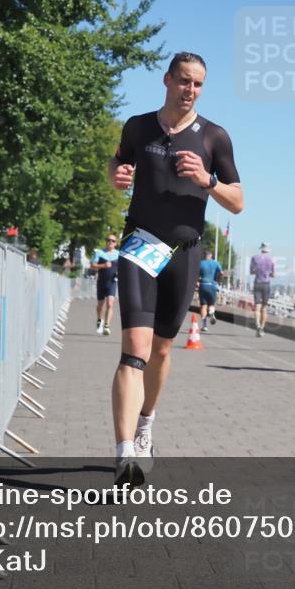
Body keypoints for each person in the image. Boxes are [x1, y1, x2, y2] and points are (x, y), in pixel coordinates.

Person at [108, 51, 243, 487]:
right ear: (167, 80)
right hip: (139, 245)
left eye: (198, 84)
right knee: (135, 349)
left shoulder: (215, 137)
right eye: (184, 81)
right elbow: (117, 161)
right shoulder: (138, 126)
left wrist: (207, 180)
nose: (190, 90)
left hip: (183, 253)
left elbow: (238, 202)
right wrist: (117, 174)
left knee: (162, 350)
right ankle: (124, 455)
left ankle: (146, 423)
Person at [90, 234, 120, 335]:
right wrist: (103, 265)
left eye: (113, 241)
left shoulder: (118, 254)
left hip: (112, 282)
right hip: (101, 282)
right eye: (108, 240)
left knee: (110, 303)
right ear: (106, 241)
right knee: (100, 304)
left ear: (116, 243)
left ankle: (107, 325)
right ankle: (99, 319)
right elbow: (92, 266)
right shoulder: (99, 253)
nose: (110, 242)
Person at [249, 242, 275, 337]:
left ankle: (258, 325)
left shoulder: (254, 258)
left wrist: (257, 272)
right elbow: (274, 274)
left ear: (261, 249)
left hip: (257, 283)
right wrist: (268, 274)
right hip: (266, 284)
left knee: (257, 307)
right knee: (264, 308)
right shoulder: (272, 260)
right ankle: (262, 328)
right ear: (268, 250)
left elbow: (251, 272)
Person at [197, 250, 223, 331]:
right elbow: (221, 273)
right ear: (211, 255)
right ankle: (211, 312)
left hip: (203, 285)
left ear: (204, 255)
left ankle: (204, 325)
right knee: (211, 304)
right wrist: (218, 280)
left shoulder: (200, 263)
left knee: (203, 305)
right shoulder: (216, 263)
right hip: (212, 285)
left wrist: (197, 281)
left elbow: (196, 274)